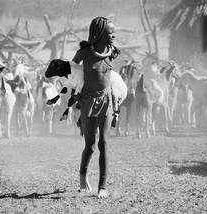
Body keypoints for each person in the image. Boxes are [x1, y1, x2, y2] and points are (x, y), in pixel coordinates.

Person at [72, 17, 120, 199]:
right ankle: (82, 176)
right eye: (110, 32)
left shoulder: (112, 52)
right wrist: (74, 90)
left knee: (104, 143)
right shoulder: (83, 53)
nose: (113, 35)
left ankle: (103, 186)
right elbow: (73, 70)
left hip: (106, 101)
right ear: (99, 34)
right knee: (91, 146)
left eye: (114, 32)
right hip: (87, 102)